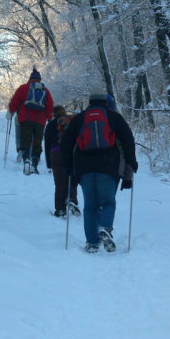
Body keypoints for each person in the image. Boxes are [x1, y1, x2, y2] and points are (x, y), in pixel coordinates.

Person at [61, 87, 137, 253]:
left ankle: (92, 243)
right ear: (105, 102)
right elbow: (128, 140)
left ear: (90, 102)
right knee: (108, 202)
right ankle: (105, 227)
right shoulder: (114, 117)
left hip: (85, 169)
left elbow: (66, 143)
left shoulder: (80, 118)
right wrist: (131, 164)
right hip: (109, 168)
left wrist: (68, 167)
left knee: (90, 206)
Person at [7, 68, 54, 174]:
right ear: (39, 80)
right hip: (40, 121)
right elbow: (50, 106)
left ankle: (26, 161)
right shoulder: (45, 90)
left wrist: (11, 111)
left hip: (25, 119)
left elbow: (14, 101)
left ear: (30, 79)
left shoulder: (23, 88)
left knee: (25, 141)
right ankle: (34, 164)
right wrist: (49, 118)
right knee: (37, 143)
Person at [44, 105, 79, 217]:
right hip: (71, 153)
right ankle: (72, 201)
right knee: (71, 179)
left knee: (59, 183)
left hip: (56, 154)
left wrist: (49, 163)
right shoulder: (72, 121)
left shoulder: (50, 125)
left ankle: (60, 209)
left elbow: (47, 144)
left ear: (54, 114)